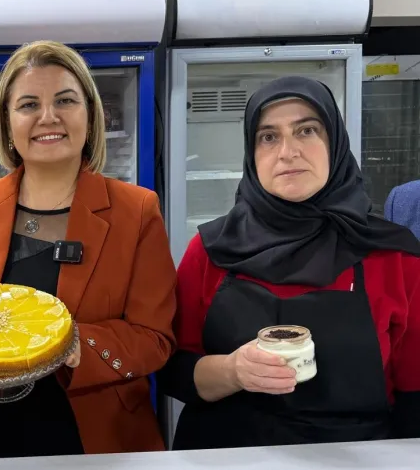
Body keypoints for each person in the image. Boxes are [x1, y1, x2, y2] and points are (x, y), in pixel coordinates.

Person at [0, 40, 177, 461]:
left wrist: (72, 342)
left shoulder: (137, 211)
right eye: (28, 105)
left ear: (90, 115)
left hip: (95, 439)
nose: (48, 117)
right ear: (6, 124)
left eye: (65, 100)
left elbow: (155, 339)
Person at [159, 76, 420, 450]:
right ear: (252, 154)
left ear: (335, 142)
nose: (288, 152)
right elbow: (173, 371)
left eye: (307, 130)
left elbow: (415, 396)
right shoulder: (211, 249)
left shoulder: (395, 257)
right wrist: (233, 372)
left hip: (355, 457)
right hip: (227, 455)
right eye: (268, 136)